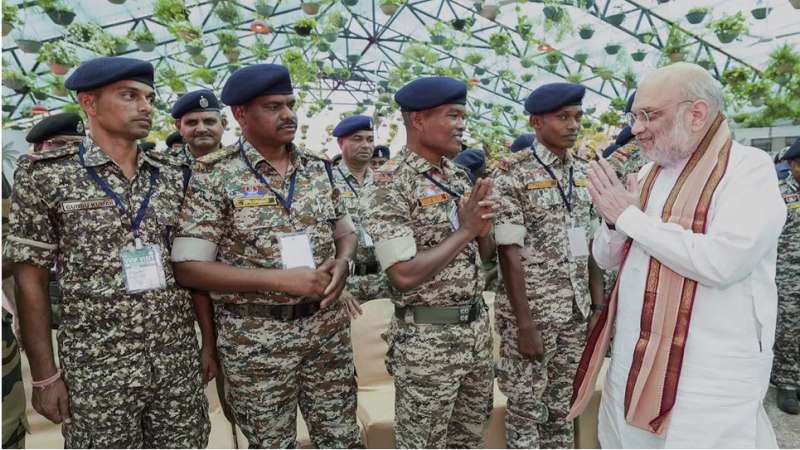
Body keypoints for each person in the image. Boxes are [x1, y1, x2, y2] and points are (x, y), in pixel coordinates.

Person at [568, 62, 786, 448]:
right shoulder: (648, 174)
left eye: (649, 115)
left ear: (696, 114)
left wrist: (630, 218)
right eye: (634, 117)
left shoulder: (747, 170)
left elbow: (724, 262)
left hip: (707, 377)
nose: (637, 128)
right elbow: (604, 259)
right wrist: (615, 223)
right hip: (633, 363)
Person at [4, 56, 210, 447]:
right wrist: (45, 376)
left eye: (149, 97)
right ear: (90, 103)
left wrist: (208, 345)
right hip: (98, 371)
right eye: (129, 96)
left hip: (175, 362)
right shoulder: (46, 175)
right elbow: (30, 279)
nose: (146, 106)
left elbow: (193, 266)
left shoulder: (172, 174)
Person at [169, 63, 362, 448]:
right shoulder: (213, 175)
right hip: (256, 342)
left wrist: (344, 262)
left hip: (326, 333)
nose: (288, 114)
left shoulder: (318, 168)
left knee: (342, 439)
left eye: (290, 104)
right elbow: (188, 268)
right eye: (274, 107)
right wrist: (278, 280)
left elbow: (346, 232)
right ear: (241, 114)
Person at [361, 76, 496, 448]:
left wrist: (483, 229)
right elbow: (403, 275)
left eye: (463, 116)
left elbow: (484, 255)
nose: (461, 125)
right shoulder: (389, 183)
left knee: (469, 441)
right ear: (418, 120)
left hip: (475, 333)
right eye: (453, 115)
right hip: (427, 345)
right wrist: (467, 230)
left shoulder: (457, 176)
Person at [493, 82, 600, 449]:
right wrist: (524, 324)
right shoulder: (513, 173)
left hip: (575, 311)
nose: (573, 125)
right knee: (526, 409)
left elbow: (591, 242)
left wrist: (596, 306)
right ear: (536, 122)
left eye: (577, 117)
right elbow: (508, 252)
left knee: (562, 406)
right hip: (534, 315)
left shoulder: (584, 170)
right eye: (563, 117)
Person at [331, 115, 392, 302]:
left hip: (385, 281)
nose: (366, 145)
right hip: (344, 283)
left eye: (370, 139)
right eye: (357, 139)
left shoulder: (386, 182)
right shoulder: (326, 181)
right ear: (341, 143)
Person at [773, 138, 800, 414]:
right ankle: (786, 383)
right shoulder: (778, 194)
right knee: (788, 329)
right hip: (787, 275)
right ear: (792, 164)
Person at [171, 89, 227, 164]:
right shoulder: (165, 163)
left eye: (209, 122)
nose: (201, 129)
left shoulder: (242, 159)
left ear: (223, 124)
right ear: (179, 127)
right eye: (192, 123)